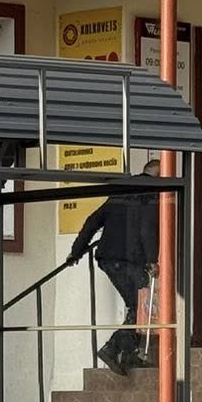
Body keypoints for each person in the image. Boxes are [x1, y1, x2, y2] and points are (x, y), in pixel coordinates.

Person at [68, 157, 160, 376]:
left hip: (109, 258)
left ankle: (128, 355)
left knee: (135, 305)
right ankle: (112, 348)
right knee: (139, 307)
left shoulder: (121, 192)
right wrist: (152, 260)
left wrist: (76, 251)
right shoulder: (150, 193)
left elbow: (93, 220)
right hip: (129, 259)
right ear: (158, 174)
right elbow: (147, 228)